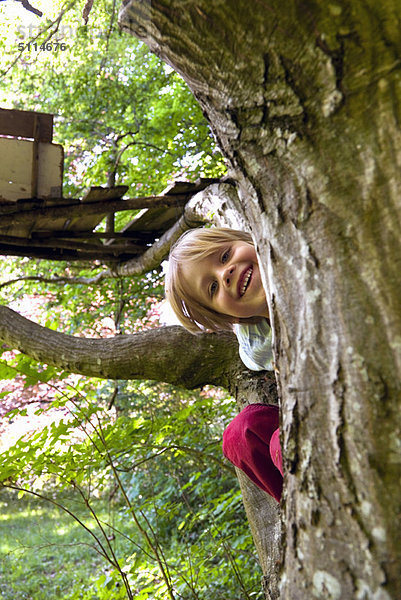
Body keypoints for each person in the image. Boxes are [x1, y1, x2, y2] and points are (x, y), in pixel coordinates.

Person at [165, 227, 283, 502]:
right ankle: (303, 513)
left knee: (282, 443)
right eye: (213, 288)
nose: (225, 273)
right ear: (225, 315)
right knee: (239, 435)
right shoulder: (257, 346)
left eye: (225, 255)